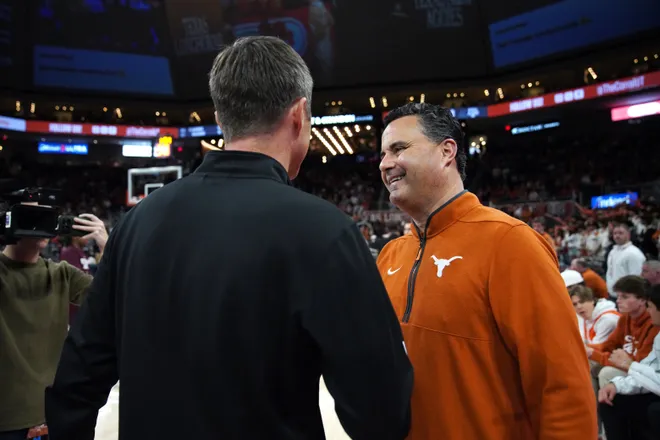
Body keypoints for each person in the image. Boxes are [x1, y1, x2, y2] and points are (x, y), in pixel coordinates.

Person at [45, 36, 413, 440]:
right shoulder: (325, 230)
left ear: (221, 117)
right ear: (299, 114)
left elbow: (78, 378)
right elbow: (381, 405)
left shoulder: (137, 222)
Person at [376, 102, 596, 439]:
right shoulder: (391, 255)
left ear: (447, 151)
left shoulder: (511, 243)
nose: (385, 164)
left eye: (398, 149)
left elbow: (562, 386)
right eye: (382, 154)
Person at [0, 211, 107, 440]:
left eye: (47, 215)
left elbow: (113, 297)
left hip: (54, 418)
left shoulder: (62, 274)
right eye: (32, 214)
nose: (43, 223)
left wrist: (108, 248)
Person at [598, 283, 660, 440]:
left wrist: (630, 365)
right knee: (611, 399)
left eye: (650, 306)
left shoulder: (652, 328)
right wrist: (616, 385)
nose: (649, 310)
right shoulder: (626, 320)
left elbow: (648, 372)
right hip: (651, 387)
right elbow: (649, 366)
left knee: (655, 410)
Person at [607, 223, 646, 297]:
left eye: (621, 233)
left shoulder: (633, 253)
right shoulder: (613, 251)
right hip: (612, 293)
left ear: (628, 235)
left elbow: (636, 278)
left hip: (626, 296)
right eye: (615, 233)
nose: (617, 236)